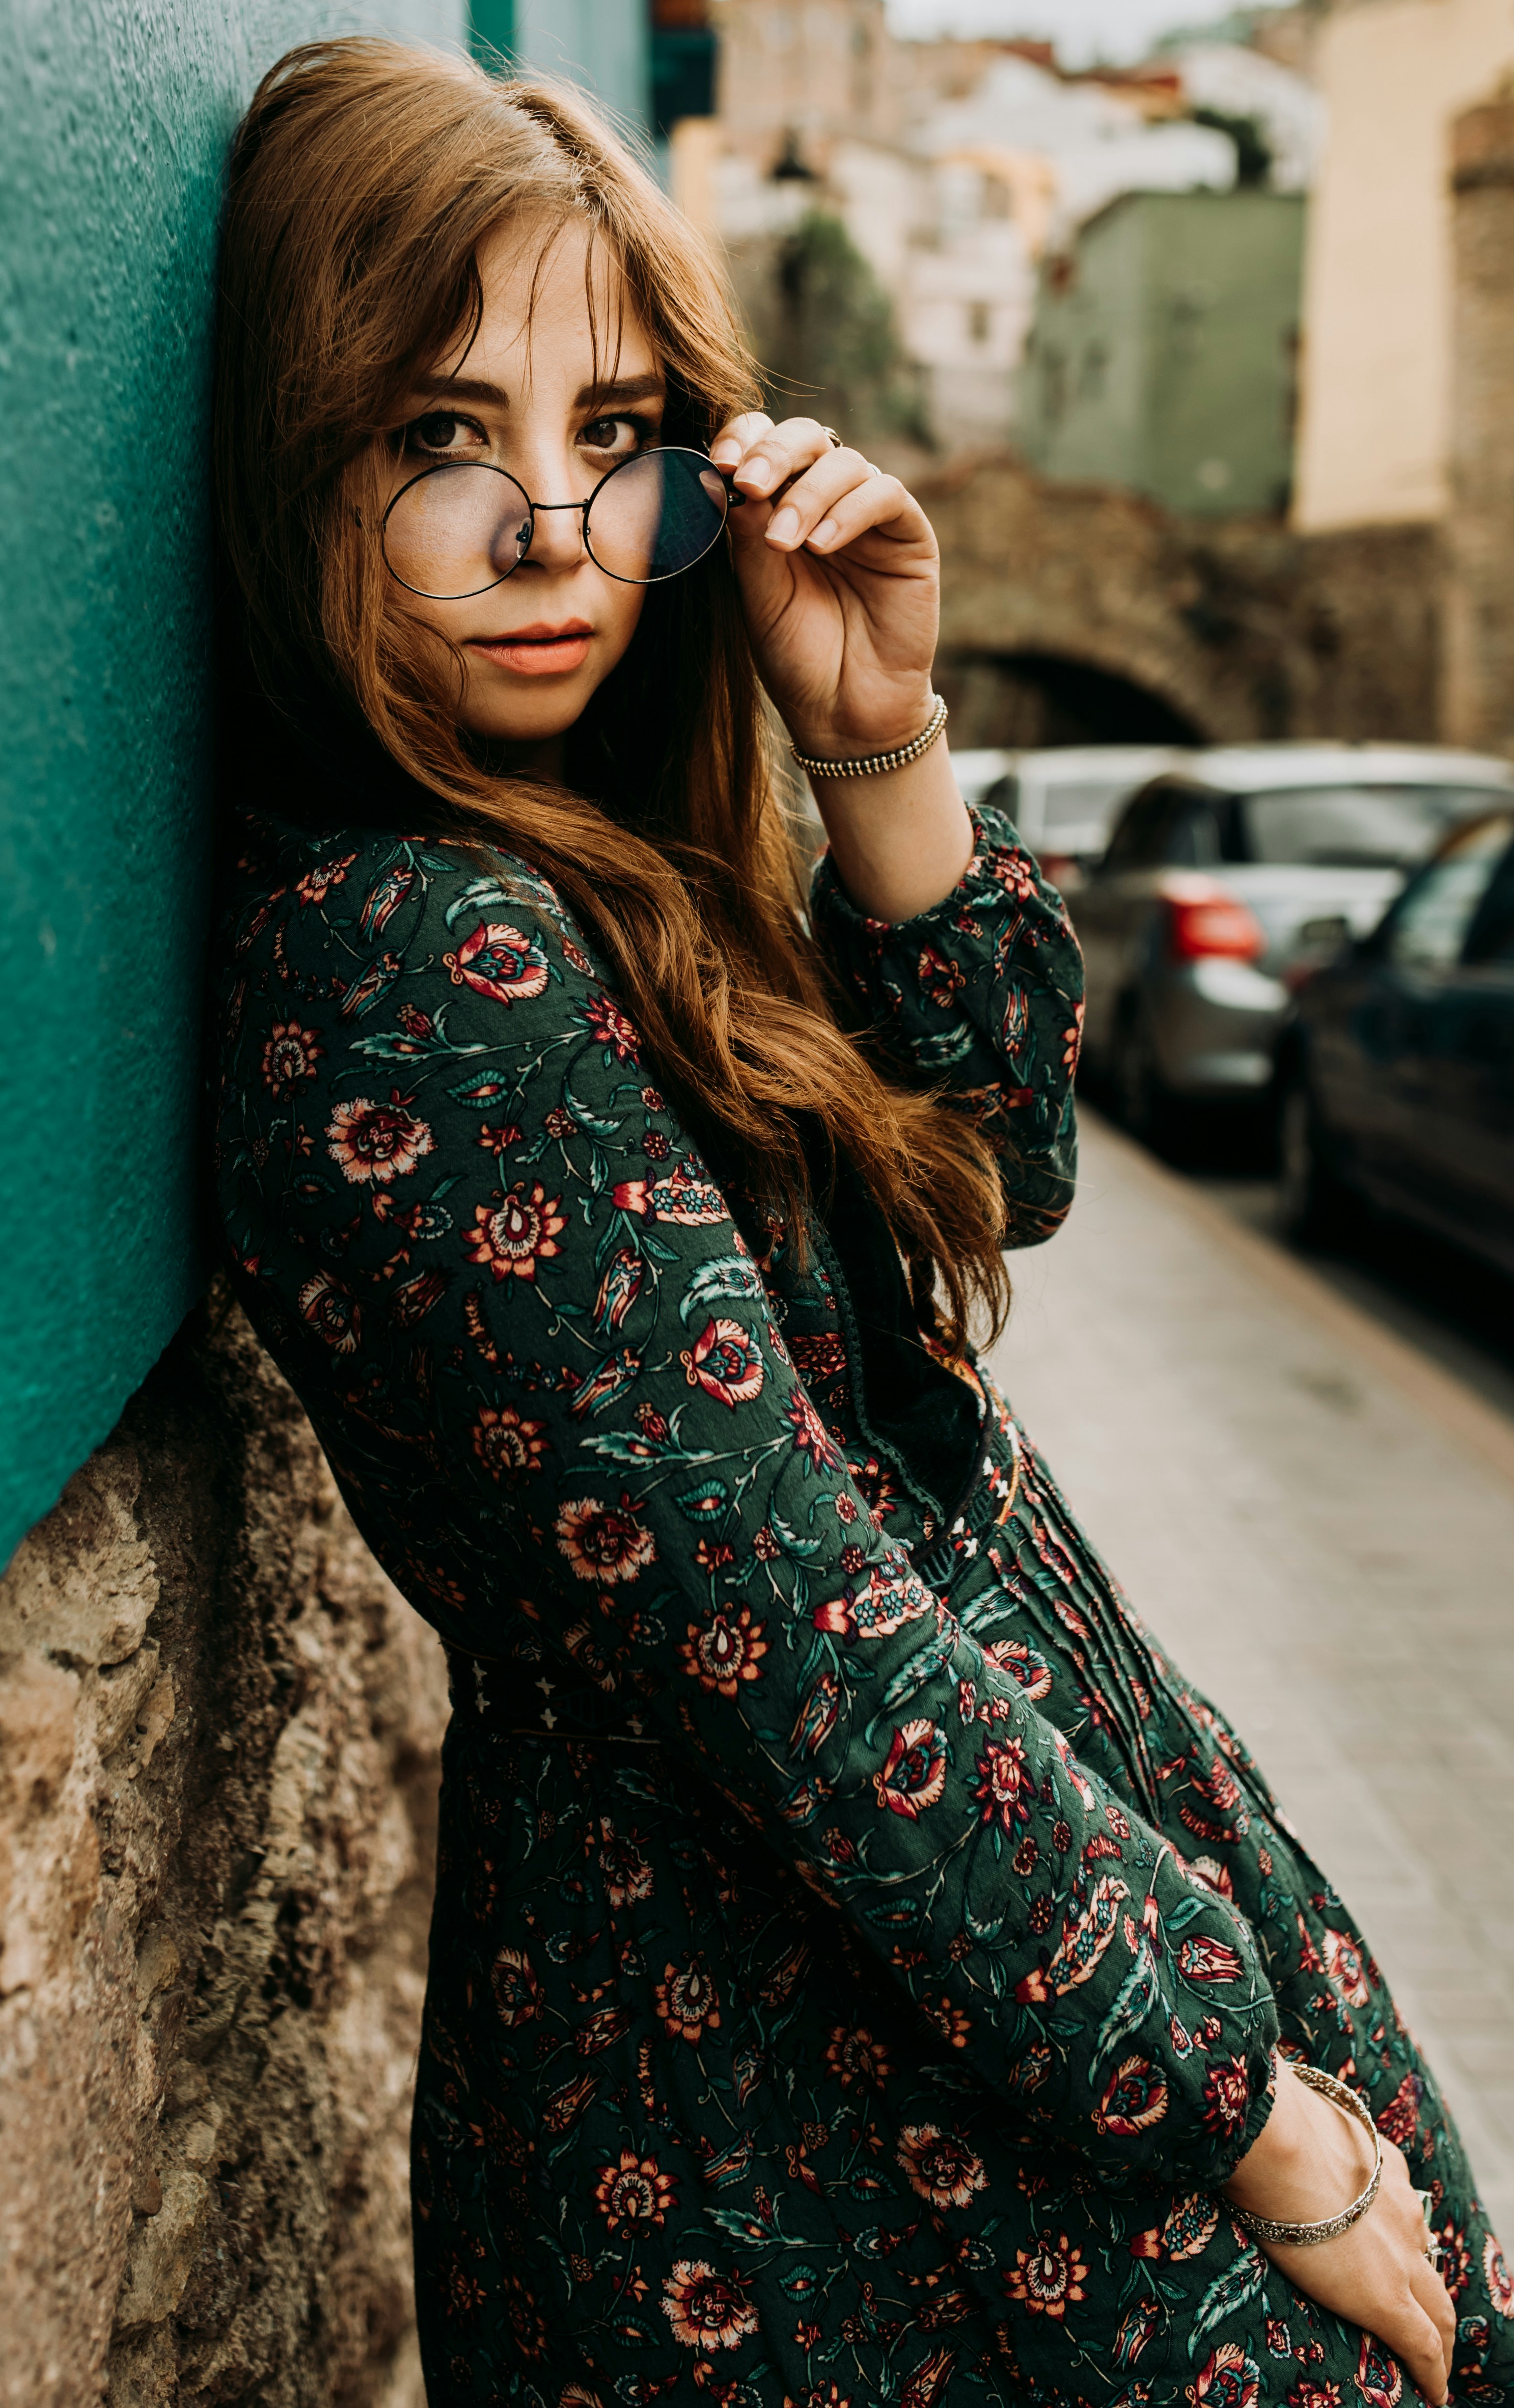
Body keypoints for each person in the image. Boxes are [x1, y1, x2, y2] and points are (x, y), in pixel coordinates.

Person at [207, 39, 1506, 2406]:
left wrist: (874, 739)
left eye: (613, 437)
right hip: (808, 2097)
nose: (545, 532)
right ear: (294, 456)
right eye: (434, 439)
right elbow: (811, 1655)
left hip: (955, 1986)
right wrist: (1238, 2109)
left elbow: (994, 1172)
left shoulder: (588, 871)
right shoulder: (418, 961)